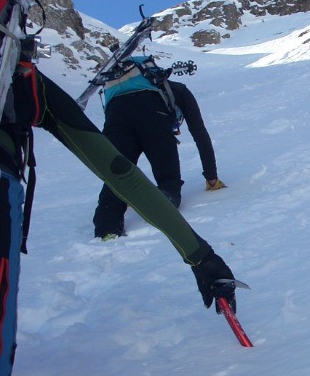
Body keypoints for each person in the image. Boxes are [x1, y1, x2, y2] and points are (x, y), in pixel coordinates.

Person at [0, 0, 239, 376]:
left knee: (114, 190)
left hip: (117, 117)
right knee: (164, 177)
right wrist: (201, 242)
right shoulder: (169, 93)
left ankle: (107, 228)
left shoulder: (116, 89)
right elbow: (127, 162)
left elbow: (115, 160)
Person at [92, 55, 226, 240]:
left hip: (116, 115)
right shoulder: (178, 90)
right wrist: (212, 178)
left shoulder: (124, 89)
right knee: (168, 180)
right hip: (153, 116)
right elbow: (200, 135)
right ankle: (161, 206)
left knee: (117, 178)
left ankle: (107, 229)